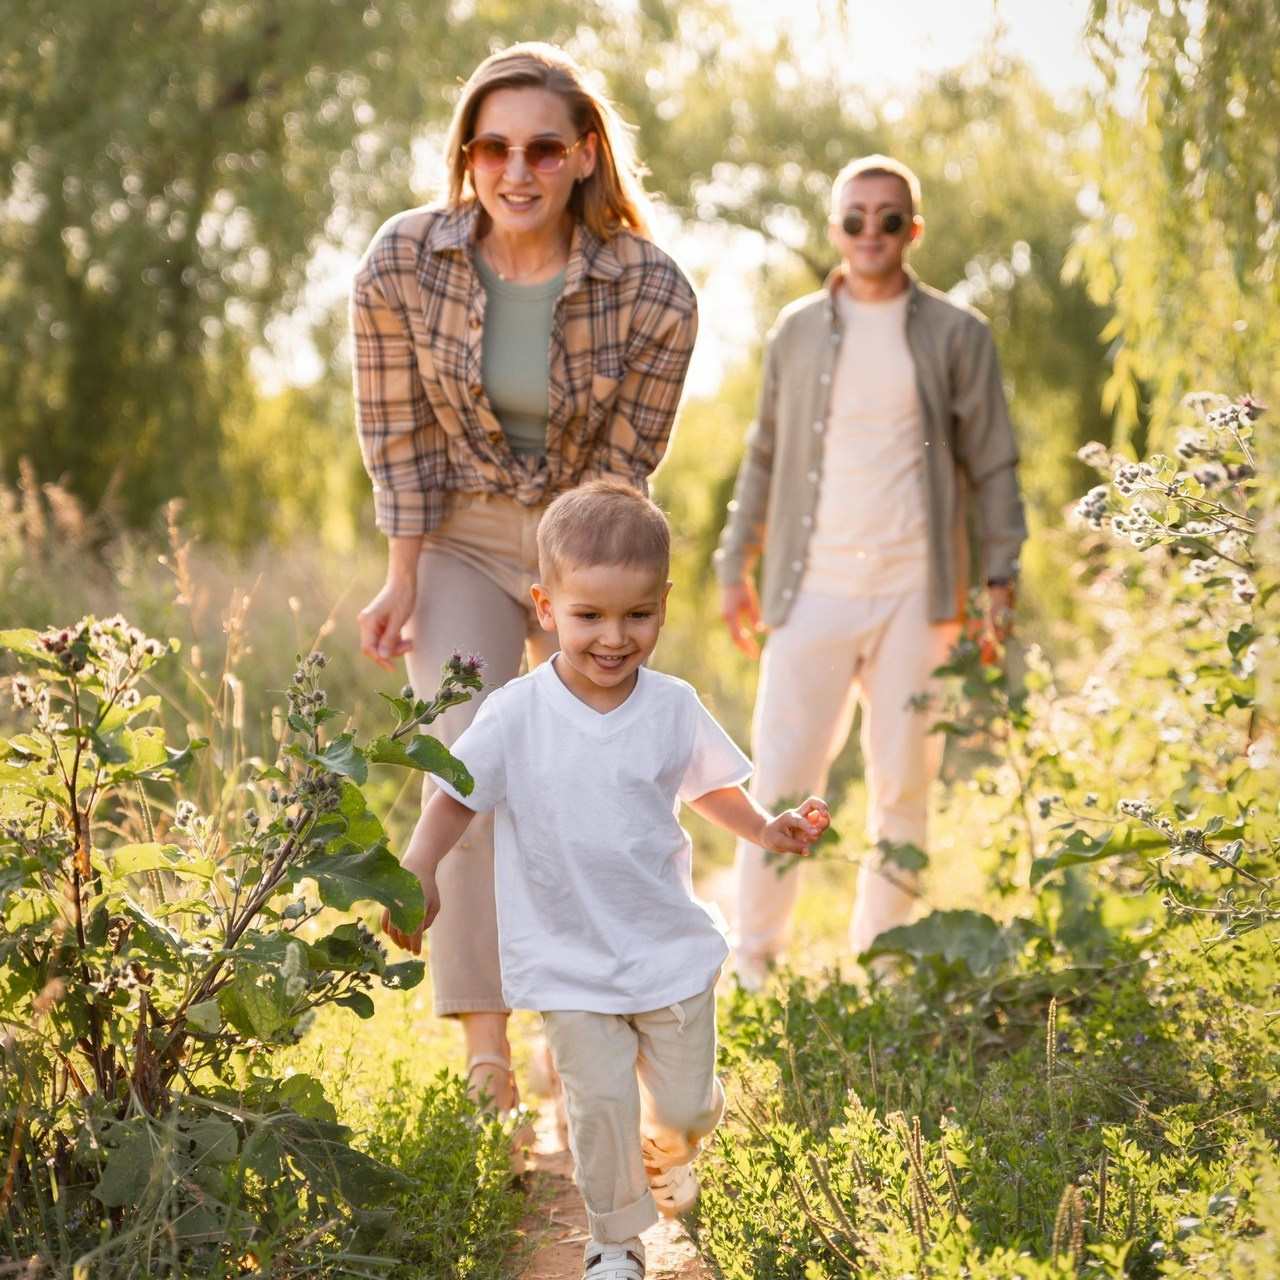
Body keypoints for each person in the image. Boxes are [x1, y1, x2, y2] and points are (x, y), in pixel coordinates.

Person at [349, 42, 698, 1145]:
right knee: (466, 762)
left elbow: (626, 470)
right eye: (491, 145)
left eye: (543, 146)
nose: (516, 167)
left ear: (584, 155)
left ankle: (581, 1000)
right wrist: (401, 575)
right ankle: (488, 1059)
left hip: (578, 543)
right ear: (466, 156)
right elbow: (396, 439)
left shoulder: (651, 288)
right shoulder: (401, 263)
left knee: (575, 783)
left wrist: (593, 606)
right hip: (453, 534)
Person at [384, 480, 829, 1280]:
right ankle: (614, 1241)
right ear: (545, 604)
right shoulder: (516, 712)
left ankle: (672, 1148)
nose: (614, 638)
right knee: (597, 1105)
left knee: (686, 1105)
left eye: (637, 616)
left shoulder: (673, 705)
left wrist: (765, 826)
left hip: (665, 950)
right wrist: (420, 864)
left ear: (664, 602)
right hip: (566, 960)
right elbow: (456, 791)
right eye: (589, 616)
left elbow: (710, 787)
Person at [714, 154, 1027, 989]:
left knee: (904, 780)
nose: (871, 233)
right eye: (855, 218)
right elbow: (763, 455)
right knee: (780, 776)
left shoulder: (959, 334)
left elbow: (994, 464)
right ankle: (754, 962)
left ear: (912, 230)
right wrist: (731, 561)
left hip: (915, 597)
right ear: (835, 229)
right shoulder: (797, 330)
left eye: (889, 218)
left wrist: (1001, 579)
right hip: (809, 588)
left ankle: (886, 965)